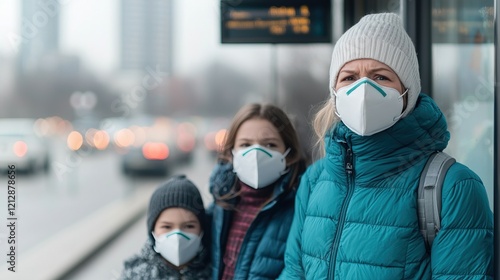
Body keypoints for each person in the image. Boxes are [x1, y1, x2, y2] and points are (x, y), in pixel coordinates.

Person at [279, 13, 493, 279]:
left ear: (407, 92)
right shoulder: (314, 181)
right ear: (334, 92)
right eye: (349, 78)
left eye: (380, 77)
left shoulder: (452, 187)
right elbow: (294, 272)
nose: (363, 89)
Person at [209, 103, 307, 279]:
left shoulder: (301, 208)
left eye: (269, 145)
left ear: (288, 153)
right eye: (245, 144)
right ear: (232, 152)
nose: (256, 153)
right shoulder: (221, 204)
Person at [120, 175, 211, 280]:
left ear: (201, 229)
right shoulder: (134, 275)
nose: (177, 236)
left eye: (189, 226)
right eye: (167, 227)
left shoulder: (217, 271)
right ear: (153, 230)